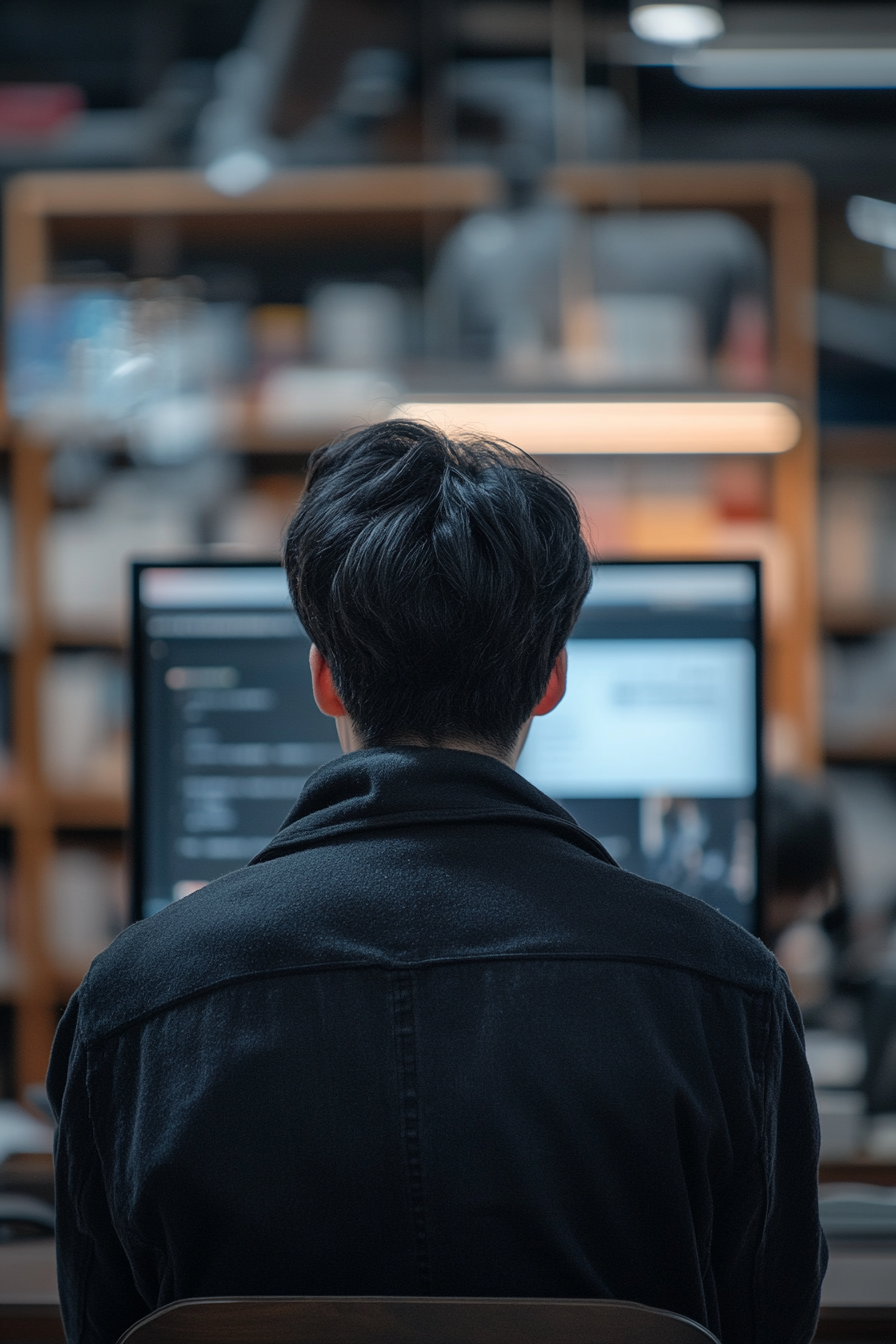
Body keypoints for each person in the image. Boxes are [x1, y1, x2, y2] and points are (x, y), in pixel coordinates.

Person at [48, 421, 826, 1344]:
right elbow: (770, 1323)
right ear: (550, 679)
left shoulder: (131, 1004)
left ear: (325, 679)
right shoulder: (726, 993)